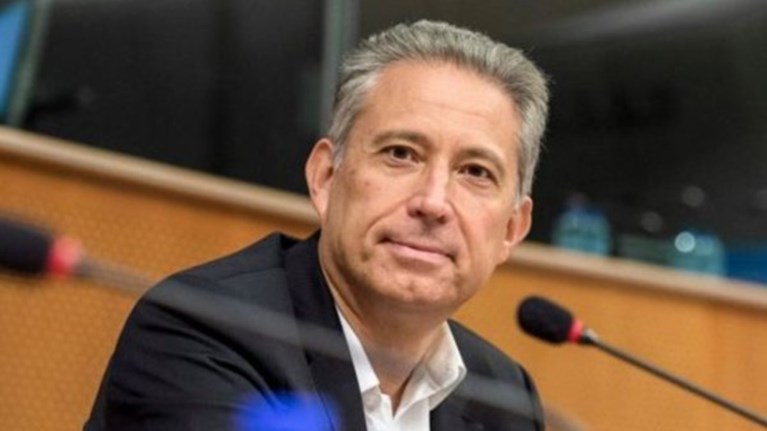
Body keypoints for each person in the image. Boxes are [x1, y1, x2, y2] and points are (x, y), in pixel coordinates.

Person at [85, 19, 549, 431]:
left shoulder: (505, 396)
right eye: (401, 154)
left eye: (475, 172)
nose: (433, 202)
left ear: (512, 228)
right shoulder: (203, 330)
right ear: (325, 177)